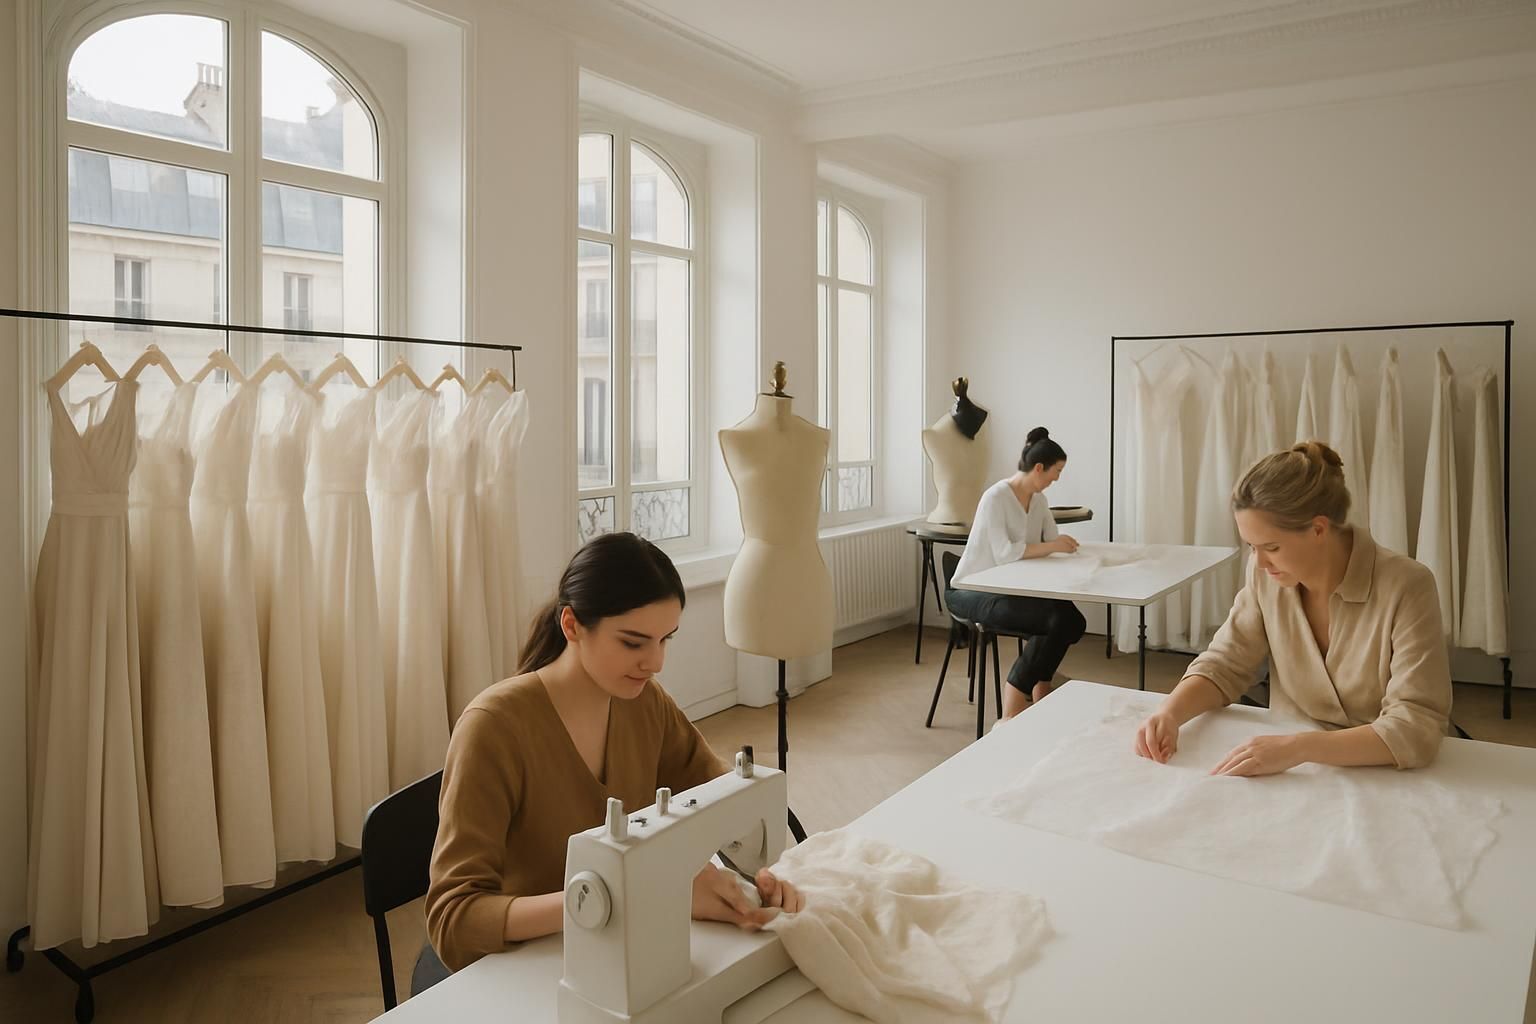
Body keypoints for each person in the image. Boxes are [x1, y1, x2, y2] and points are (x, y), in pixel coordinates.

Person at [424, 532, 803, 976]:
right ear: (571, 626)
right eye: (633, 642)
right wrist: (635, 893)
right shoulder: (493, 728)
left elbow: (723, 797)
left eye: (666, 640)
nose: (656, 662)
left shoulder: (645, 702)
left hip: (617, 947)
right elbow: (453, 920)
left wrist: (762, 880)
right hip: (524, 966)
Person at [1135, 442, 1452, 776]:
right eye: (1251, 547)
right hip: (1289, 772)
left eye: (1271, 547)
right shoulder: (1268, 579)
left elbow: (1416, 724)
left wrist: (1301, 747)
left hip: (1382, 773)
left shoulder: (1407, 585)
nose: (1258, 563)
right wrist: (1169, 713)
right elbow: (1225, 664)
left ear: (1318, 529)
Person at [946, 427, 1086, 717]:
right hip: (972, 590)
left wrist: (1057, 546)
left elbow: (1052, 540)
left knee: (1072, 620)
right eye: (1056, 471)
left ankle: (1040, 687)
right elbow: (1004, 553)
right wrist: (1052, 546)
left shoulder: (1039, 501)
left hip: (1012, 588)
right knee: (1055, 619)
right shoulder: (995, 497)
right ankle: (1014, 701)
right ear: (1039, 468)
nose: (1057, 478)